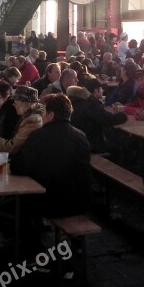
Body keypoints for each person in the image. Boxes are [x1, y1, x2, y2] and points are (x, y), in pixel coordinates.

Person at [10, 93, 92, 255]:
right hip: (81, 202)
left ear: (51, 115)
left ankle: (35, 251)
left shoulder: (39, 136)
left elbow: (18, 167)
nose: (41, 115)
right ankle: (75, 243)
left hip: (51, 203)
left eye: (43, 112)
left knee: (17, 206)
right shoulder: (81, 136)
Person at [66, 82, 127, 154]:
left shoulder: (69, 106)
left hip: (74, 144)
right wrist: (123, 115)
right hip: (90, 145)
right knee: (118, 149)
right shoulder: (88, 105)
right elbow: (108, 120)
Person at [0, 85, 43, 155]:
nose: (13, 105)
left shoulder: (33, 120)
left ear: (25, 104)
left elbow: (13, 147)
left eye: (16, 103)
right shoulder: (28, 115)